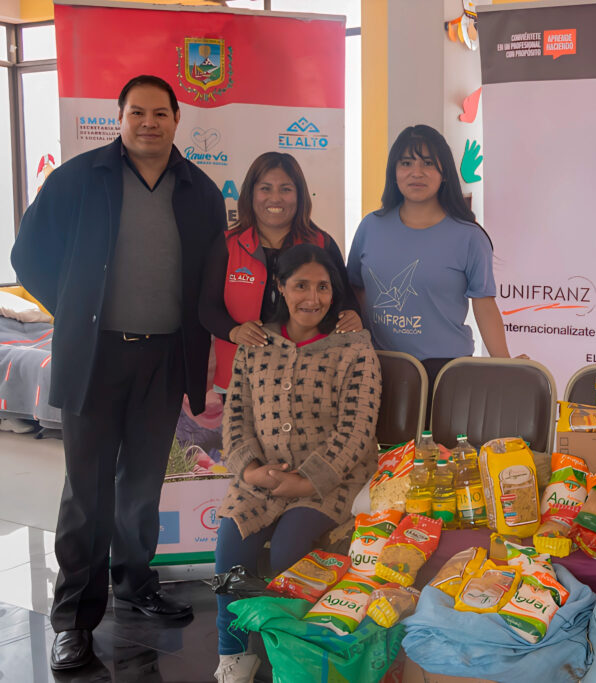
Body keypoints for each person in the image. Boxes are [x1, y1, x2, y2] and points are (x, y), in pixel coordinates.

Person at [10, 75, 226, 671]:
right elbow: (27, 256)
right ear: (120, 118)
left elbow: (208, 281)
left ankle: (135, 584)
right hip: (96, 356)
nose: (148, 123)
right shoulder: (80, 179)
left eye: (160, 113)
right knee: (87, 491)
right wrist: (76, 307)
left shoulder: (200, 191)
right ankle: (73, 619)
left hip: (163, 358)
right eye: (137, 113)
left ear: (177, 118)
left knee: (142, 484)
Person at [212, 244, 381, 682]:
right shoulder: (256, 344)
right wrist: (249, 470)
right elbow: (236, 419)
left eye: (323, 287)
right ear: (281, 288)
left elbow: (357, 429)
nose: (313, 296)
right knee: (231, 547)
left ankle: (293, 650)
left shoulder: (354, 346)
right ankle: (233, 651)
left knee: (291, 554)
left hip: (332, 480)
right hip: (260, 474)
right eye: (301, 285)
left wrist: (307, 483)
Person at [347, 124, 518, 393]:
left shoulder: (469, 236)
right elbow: (354, 290)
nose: (416, 172)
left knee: (439, 438)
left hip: (445, 373)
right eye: (406, 163)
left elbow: (484, 306)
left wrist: (506, 367)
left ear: (445, 173)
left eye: (428, 163)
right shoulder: (370, 226)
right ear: (394, 171)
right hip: (377, 366)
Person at [200, 151, 362, 395]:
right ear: (251, 194)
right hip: (241, 378)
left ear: (299, 195)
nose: (275, 198)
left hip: (308, 378)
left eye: (286, 189)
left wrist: (352, 316)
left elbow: (346, 301)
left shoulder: (322, 245)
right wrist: (235, 331)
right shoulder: (227, 245)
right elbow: (207, 308)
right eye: (265, 188)